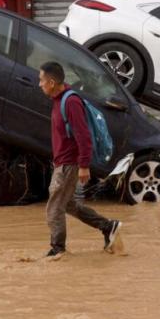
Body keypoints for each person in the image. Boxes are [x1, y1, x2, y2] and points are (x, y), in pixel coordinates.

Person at [39, 61, 121, 259]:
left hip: (69, 164)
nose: (39, 84)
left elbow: (83, 136)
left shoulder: (71, 102)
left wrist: (84, 165)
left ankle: (58, 249)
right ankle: (108, 226)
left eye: (41, 80)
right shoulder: (58, 101)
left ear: (51, 82)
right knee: (66, 205)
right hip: (62, 163)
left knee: (54, 206)